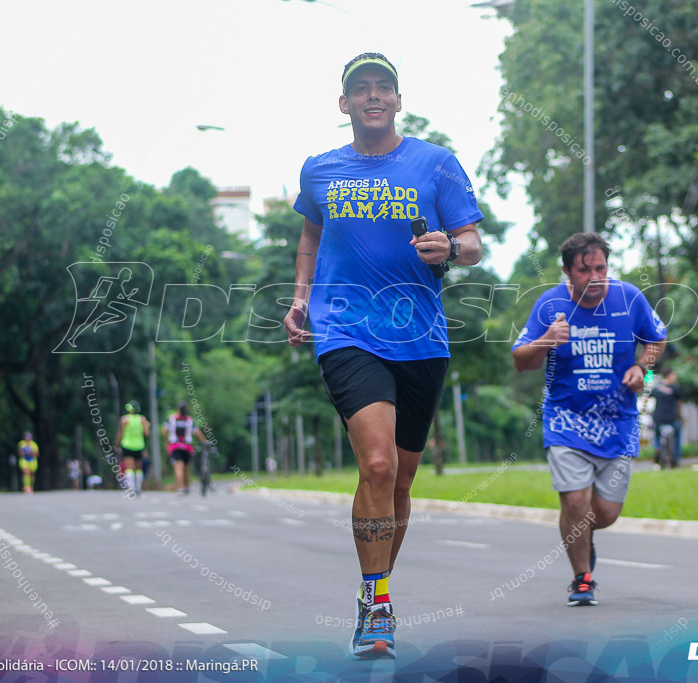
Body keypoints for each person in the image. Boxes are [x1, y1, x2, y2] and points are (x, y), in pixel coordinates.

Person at [283, 52, 483, 660]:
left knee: (398, 483)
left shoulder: (436, 163)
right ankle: (378, 605)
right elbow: (311, 234)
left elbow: (473, 244)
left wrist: (449, 246)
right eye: (360, 89)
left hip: (419, 337)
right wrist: (300, 300)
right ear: (343, 104)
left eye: (383, 88)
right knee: (376, 464)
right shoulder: (319, 171)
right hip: (346, 330)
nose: (373, 96)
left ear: (398, 100)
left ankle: (377, 587)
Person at [511, 233, 666, 607]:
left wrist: (640, 370)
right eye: (585, 270)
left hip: (618, 421)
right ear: (567, 272)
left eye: (601, 268)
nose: (595, 277)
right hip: (566, 418)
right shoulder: (549, 305)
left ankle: (581, 535)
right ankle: (582, 579)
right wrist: (547, 339)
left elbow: (656, 341)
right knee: (576, 500)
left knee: (606, 513)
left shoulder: (628, 297)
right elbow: (521, 360)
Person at [163, 402, 205, 495]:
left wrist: (167, 441)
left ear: (177, 409)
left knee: (178, 467)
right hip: (187, 446)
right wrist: (204, 441)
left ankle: (181, 487)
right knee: (186, 467)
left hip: (175, 445)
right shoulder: (189, 420)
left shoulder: (171, 419)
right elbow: (197, 433)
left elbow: (165, 430)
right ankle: (186, 487)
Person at [115, 400, 150, 496]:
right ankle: (138, 488)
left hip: (127, 445)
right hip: (139, 445)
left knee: (129, 468)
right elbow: (147, 433)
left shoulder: (124, 419)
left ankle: (131, 488)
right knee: (139, 468)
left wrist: (116, 443)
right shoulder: (142, 419)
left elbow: (120, 433)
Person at [651, 368, 683, 467]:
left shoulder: (656, 389)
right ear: (669, 375)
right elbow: (679, 403)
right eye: (673, 375)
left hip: (658, 418)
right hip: (671, 418)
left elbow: (648, 398)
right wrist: (680, 416)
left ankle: (657, 450)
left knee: (657, 436)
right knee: (677, 437)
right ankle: (675, 459)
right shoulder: (675, 388)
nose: (675, 377)